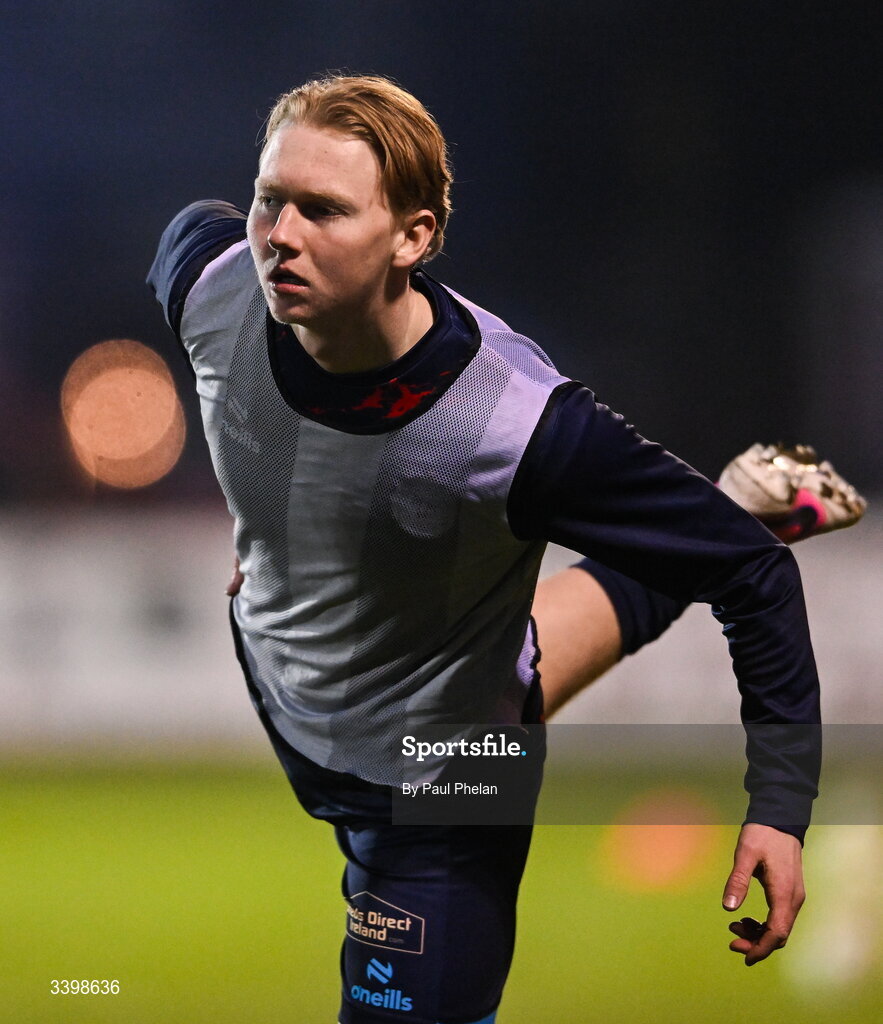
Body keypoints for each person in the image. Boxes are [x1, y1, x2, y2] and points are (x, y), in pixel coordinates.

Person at [147, 74, 860, 1024]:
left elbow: (750, 577)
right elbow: (198, 239)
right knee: (519, 653)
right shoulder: (211, 279)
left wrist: (777, 809)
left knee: (494, 713)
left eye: (323, 210)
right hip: (299, 694)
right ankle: (739, 501)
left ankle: (730, 515)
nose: (279, 234)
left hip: (446, 783)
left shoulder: (515, 425)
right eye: (272, 199)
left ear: (414, 237)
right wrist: (278, 530)